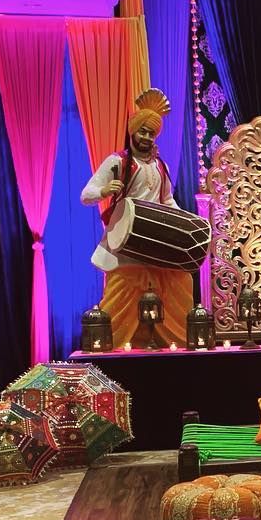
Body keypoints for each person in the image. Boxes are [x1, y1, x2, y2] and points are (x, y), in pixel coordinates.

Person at [81, 88, 193, 345]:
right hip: (126, 241)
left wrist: (183, 223)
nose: (146, 137)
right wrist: (104, 191)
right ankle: (112, 345)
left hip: (155, 240)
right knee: (121, 290)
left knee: (178, 280)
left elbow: (167, 200)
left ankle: (175, 342)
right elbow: (86, 195)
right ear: (133, 131)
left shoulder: (160, 166)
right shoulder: (117, 162)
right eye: (142, 131)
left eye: (151, 133)